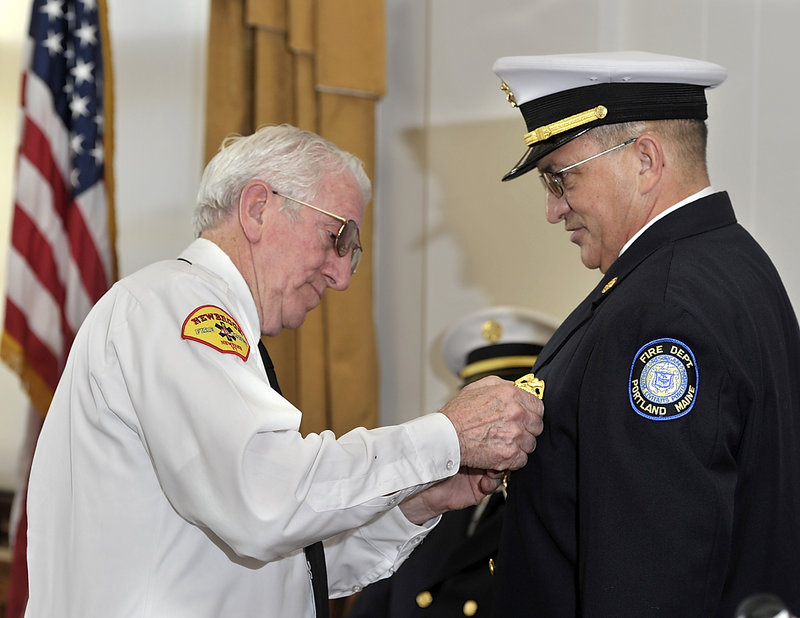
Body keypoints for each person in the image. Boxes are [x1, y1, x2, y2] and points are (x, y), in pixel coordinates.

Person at [23, 124, 545, 617]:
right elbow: (265, 500)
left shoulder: (201, 320)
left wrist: (418, 501)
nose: (341, 275)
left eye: (352, 254)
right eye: (337, 237)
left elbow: (293, 568)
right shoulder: (173, 306)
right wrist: (444, 437)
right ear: (257, 209)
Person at [490, 51, 800, 617]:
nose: (553, 209)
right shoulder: (731, 261)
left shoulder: (660, 311)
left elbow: (650, 577)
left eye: (560, 177)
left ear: (646, 160)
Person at [346, 306, 557, 617]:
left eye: (506, 414)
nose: (490, 430)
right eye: (479, 414)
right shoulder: (430, 498)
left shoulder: (554, 509)